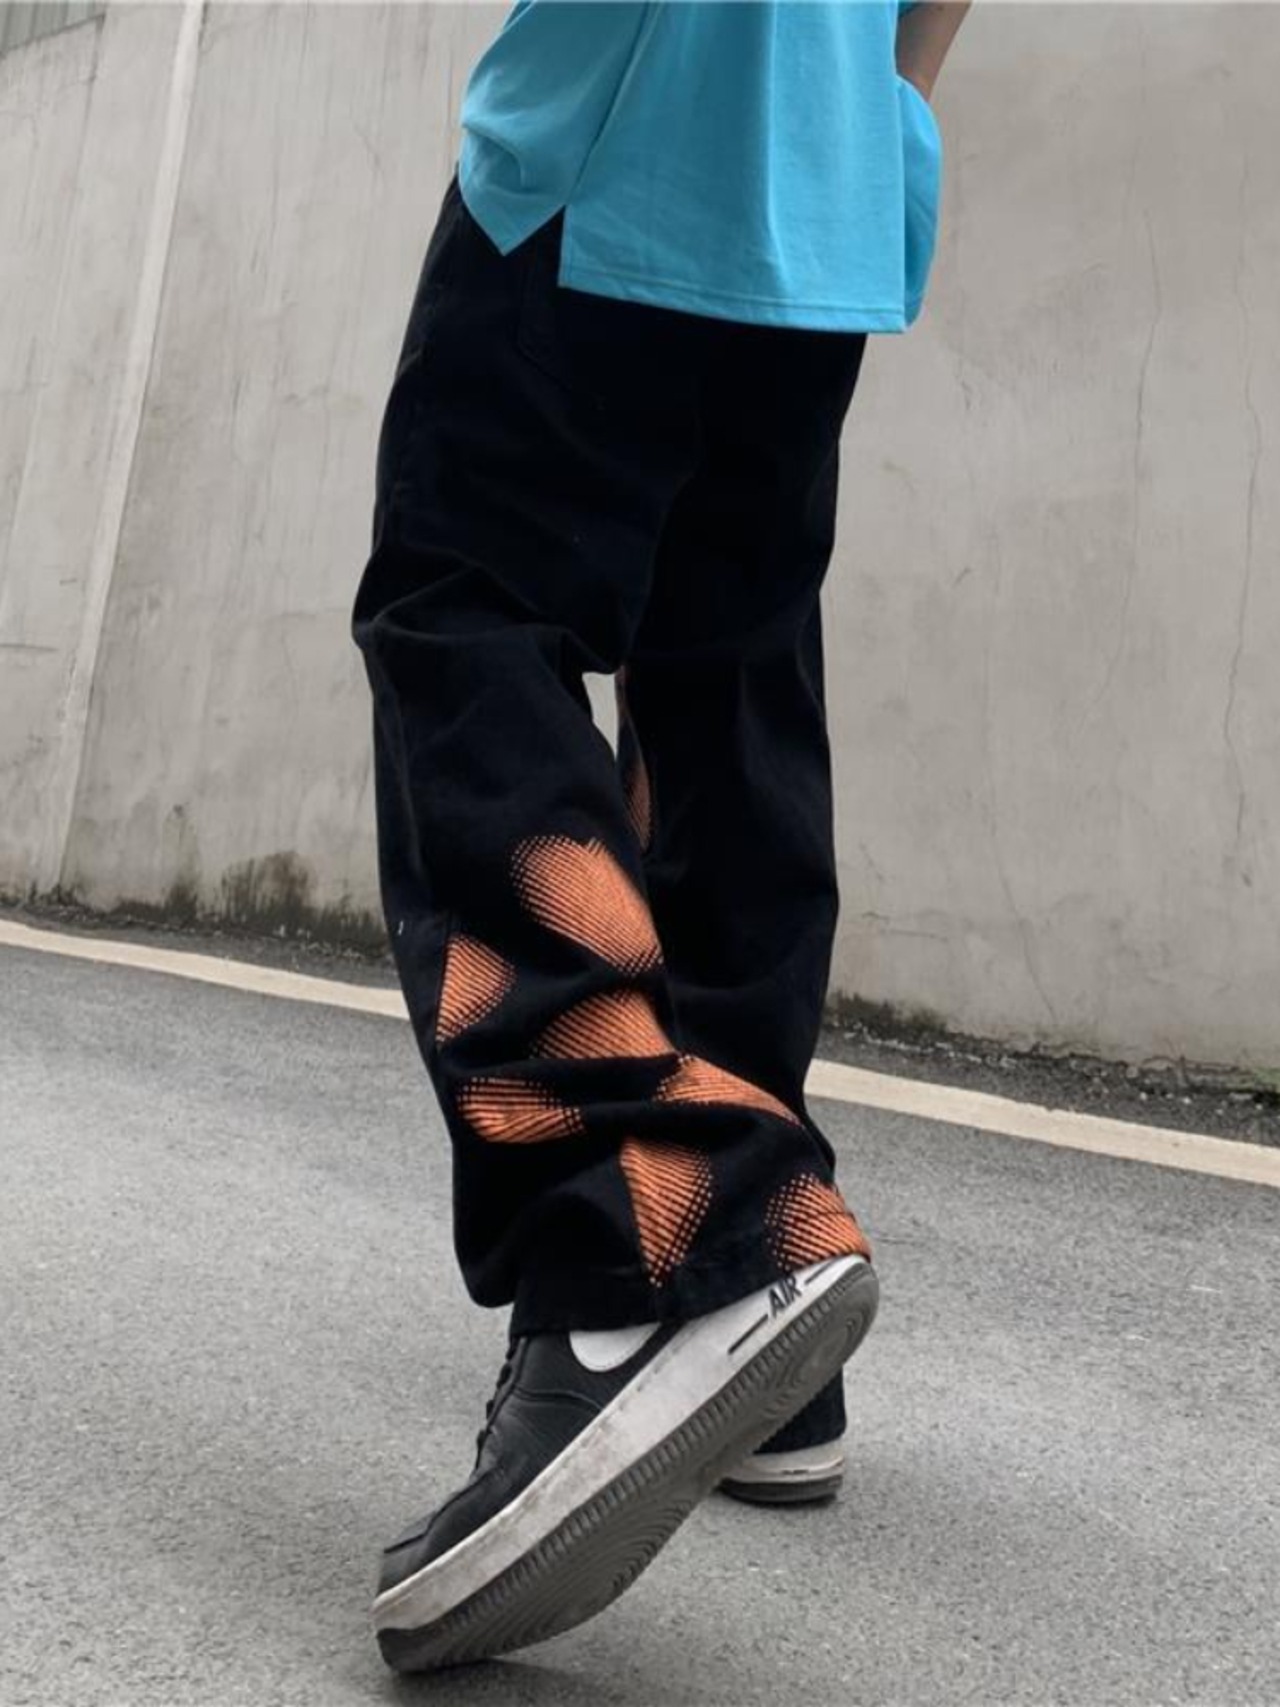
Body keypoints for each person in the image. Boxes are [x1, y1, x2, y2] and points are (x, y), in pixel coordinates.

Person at [353, 0, 969, 1673]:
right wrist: (886, 108)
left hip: (635, 101)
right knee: (727, 690)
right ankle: (755, 1291)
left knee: (462, 613)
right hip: (830, 172)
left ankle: (640, 1238)